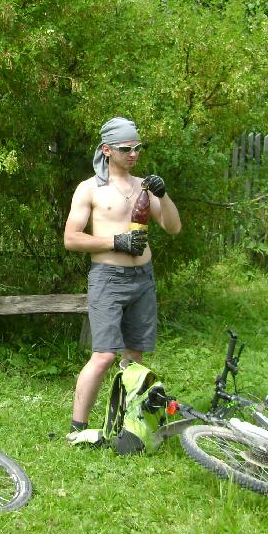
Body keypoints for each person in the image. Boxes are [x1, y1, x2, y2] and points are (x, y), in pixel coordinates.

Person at [63, 116, 181, 434]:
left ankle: (129, 426)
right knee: (103, 356)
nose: (133, 154)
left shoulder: (144, 187)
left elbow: (173, 228)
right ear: (107, 150)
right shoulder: (90, 189)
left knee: (133, 357)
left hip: (143, 278)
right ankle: (77, 427)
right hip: (108, 278)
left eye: (137, 147)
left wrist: (163, 195)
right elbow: (71, 239)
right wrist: (116, 241)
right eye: (126, 148)